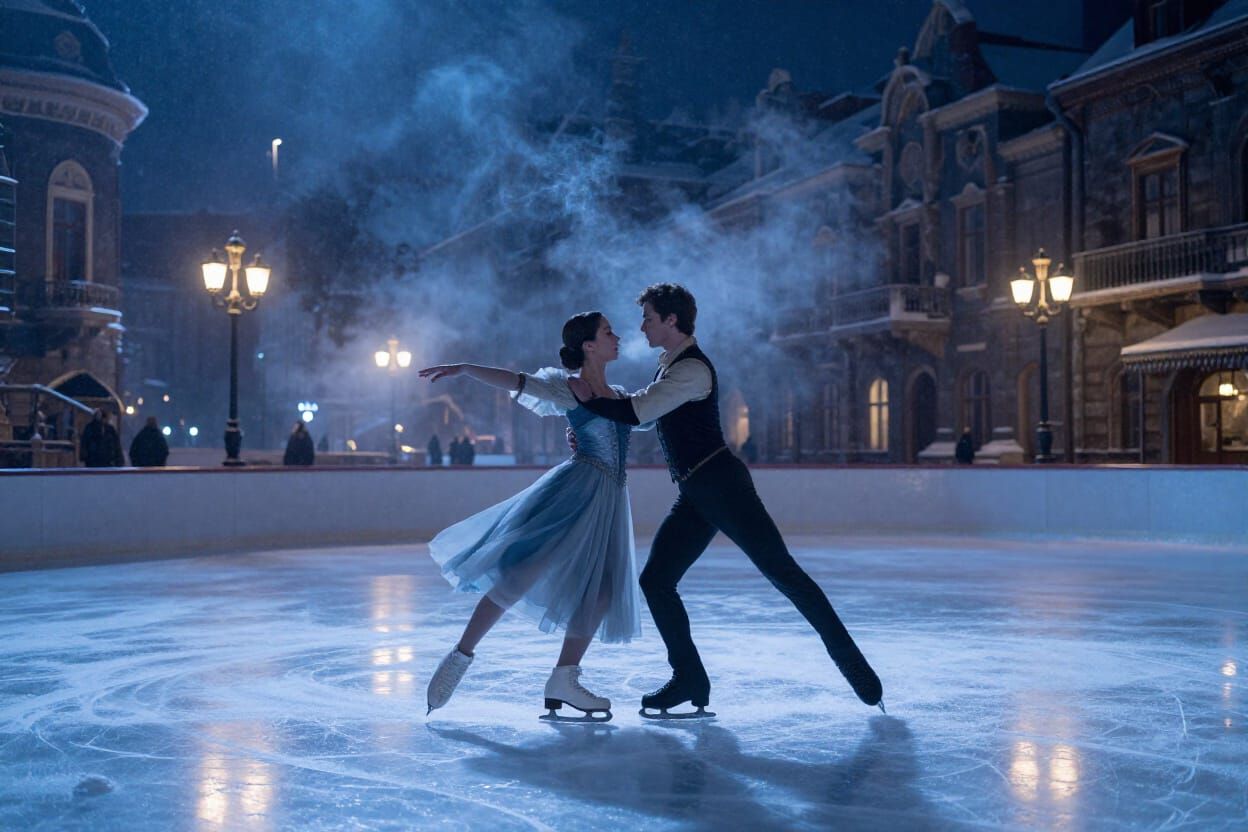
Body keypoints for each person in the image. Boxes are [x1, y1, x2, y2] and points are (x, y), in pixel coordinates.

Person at [569, 283, 883, 718]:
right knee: (656, 581)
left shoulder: (693, 370)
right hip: (697, 491)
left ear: (671, 321)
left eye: (648, 318)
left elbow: (637, 412)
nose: (641, 326)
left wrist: (591, 401)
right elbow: (642, 414)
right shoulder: (671, 367)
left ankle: (853, 664)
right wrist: (594, 412)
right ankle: (690, 679)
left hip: (722, 487)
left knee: (784, 574)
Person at [418, 311, 639, 721]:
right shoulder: (569, 388)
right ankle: (460, 655)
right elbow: (517, 381)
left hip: (608, 501)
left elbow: (660, 408)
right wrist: (466, 368)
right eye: (608, 331)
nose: (618, 336)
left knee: (604, 590)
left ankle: (564, 676)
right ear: (588, 345)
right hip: (574, 493)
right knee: (521, 573)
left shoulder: (625, 396)